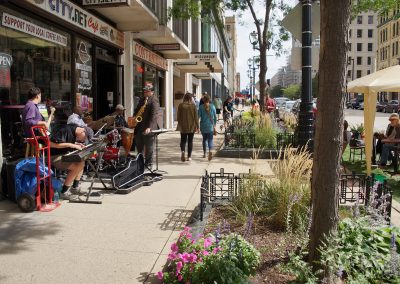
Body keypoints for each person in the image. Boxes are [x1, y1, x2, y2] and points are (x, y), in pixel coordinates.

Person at [49, 125, 87, 199]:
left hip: (63, 155)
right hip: (53, 156)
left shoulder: (73, 130)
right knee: (77, 166)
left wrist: (76, 144)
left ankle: (74, 188)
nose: (82, 140)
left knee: (81, 161)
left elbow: (65, 142)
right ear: (82, 131)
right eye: (83, 138)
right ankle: (64, 192)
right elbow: (51, 144)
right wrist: (71, 145)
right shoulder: (64, 129)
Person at [134, 84, 160, 169]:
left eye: (146, 91)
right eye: (144, 91)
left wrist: (149, 127)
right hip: (140, 126)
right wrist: (134, 118)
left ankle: (148, 165)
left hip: (148, 128)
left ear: (152, 92)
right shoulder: (142, 99)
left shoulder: (154, 100)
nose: (144, 92)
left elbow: (154, 115)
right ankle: (140, 164)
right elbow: (137, 110)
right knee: (139, 147)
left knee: (149, 149)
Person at [177, 92, 199, 162]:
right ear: (191, 98)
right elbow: (196, 117)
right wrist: (198, 126)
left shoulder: (181, 105)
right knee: (190, 141)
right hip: (191, 126)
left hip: (183, 126)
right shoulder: (193, 106)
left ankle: (183, 151)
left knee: (183, 140)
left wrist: (180, 122)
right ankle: (189, 156)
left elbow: (178, 117)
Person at [198, 95, 217, 161]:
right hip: (210, 126)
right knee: (210, 139)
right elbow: (215, 117)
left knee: (204, 139)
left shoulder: (201, 107)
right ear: (209, 100)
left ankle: (204, 153)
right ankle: (210, 151)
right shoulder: (212, 106)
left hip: (203, 126)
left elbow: (198, 117)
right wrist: (214, 125)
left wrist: (197, 126)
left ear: (203, 100)